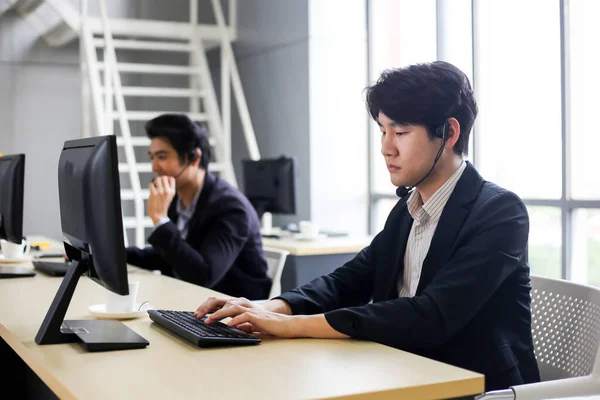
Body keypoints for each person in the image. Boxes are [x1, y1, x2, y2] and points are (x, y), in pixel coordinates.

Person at [193, 61, 541, 391]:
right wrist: (268, 308)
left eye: (401, 132)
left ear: (449, 133)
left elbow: (431, 316)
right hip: (402, 369)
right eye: (382, 130)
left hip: (476, 385)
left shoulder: (499, 212)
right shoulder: (406, 209)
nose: (386, 148)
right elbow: (346, 281)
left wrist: (292, 326)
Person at [126, 113, 271, 300]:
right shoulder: (177, 198)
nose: (154, 166)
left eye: (161, 157)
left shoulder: (230, 208)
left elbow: (203, 276)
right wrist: (114, 256)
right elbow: (171, 256)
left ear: (193, 157)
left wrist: (161, 221)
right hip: (192, 303)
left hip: (234, 315)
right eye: (152, 157)